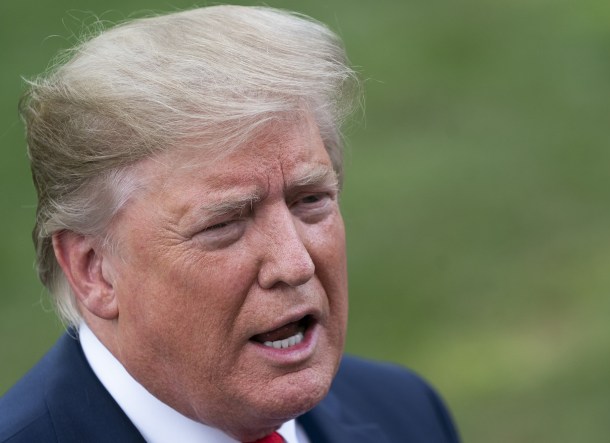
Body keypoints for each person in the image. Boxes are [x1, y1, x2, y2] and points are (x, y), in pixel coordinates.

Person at [0, 5, 460, 443]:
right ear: (93, 269)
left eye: (310, 200)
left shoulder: (407, 412)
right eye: (225, 223)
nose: (294, 263)